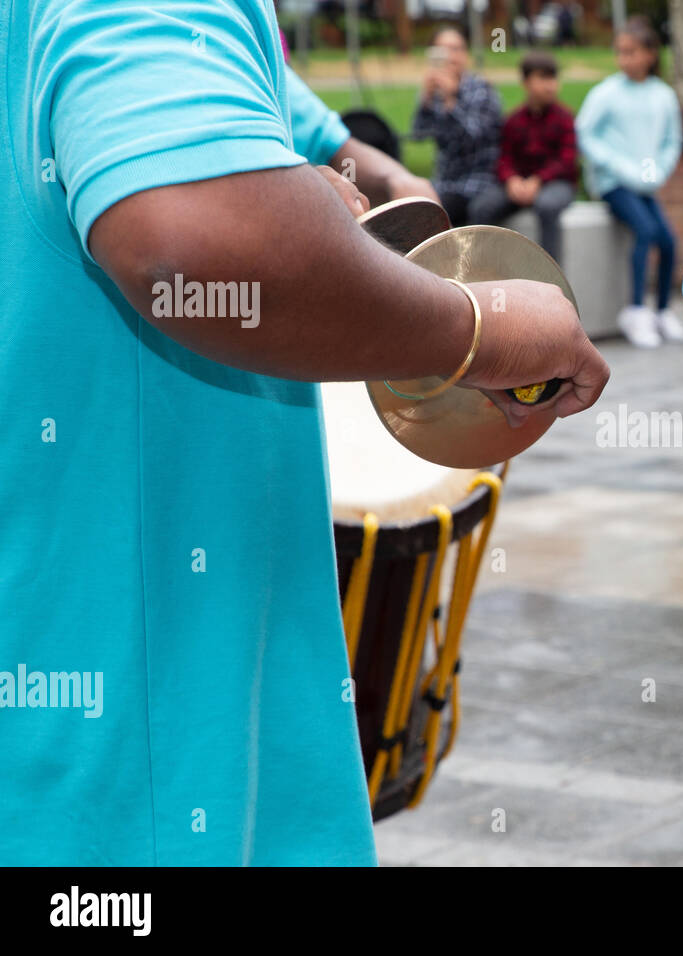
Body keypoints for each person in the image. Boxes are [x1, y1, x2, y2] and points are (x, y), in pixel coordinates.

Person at [2, 0, 608, 866]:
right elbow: (192, 238)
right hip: (133, 782)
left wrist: (367, 185)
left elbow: (268, 111)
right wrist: (475, 330)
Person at [576, 16, 683, 348]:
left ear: (650, 54)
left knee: (668, 242)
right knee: (646, 230)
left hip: (645, 184)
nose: (625, 59)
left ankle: (663, 310)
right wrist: (618, 165)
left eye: (632, 51)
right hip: (613, 183)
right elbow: (584, 133)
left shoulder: (663, 95)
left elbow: (671, 140)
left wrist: (659, 171)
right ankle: (636, 310)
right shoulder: (606, 93)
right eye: (620, 52)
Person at [470, 51, 577, 265]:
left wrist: (539, 180)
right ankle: (484, 271)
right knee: (482, 208)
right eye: (543, 78)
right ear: (526, 82)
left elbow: (566, 161)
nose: (550, 85)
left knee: (547, 206)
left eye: (553, 78)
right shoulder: (514, 120)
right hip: (519, 185)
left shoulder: (564, 118)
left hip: (556, 184)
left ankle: (550, 278)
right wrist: (511, 179)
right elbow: (504, 158)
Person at [410, 26, 502, 226]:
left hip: (479, 180)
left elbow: (474, 138)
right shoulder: (433, 91)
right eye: (443, 50)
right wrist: (425, 100)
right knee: (411, 210)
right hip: (445, 181)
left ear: (465, 54)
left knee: (439, 213)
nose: (450, 57)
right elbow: (417, 134)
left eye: (456, 49)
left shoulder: (482, 90)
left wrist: (451, 101)